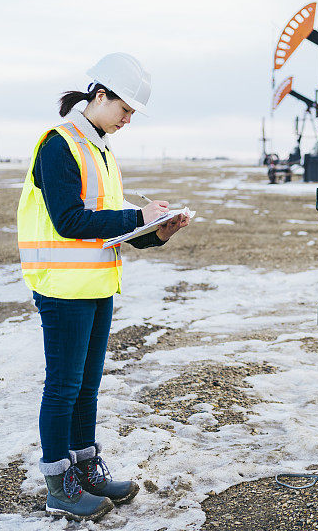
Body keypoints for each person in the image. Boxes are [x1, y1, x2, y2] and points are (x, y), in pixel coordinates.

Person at [16, 53, 190, 521]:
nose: (129, 119)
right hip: (62, 287)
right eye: (125, 109)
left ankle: (86, 469)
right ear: (99, 95)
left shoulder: (99, 147)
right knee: (63, 387)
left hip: (94, 284)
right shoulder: (59, 145)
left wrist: (156, 232)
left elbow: (108, 225)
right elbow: (71, 221)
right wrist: (139, 216)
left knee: (86, 386)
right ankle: (60, 485)